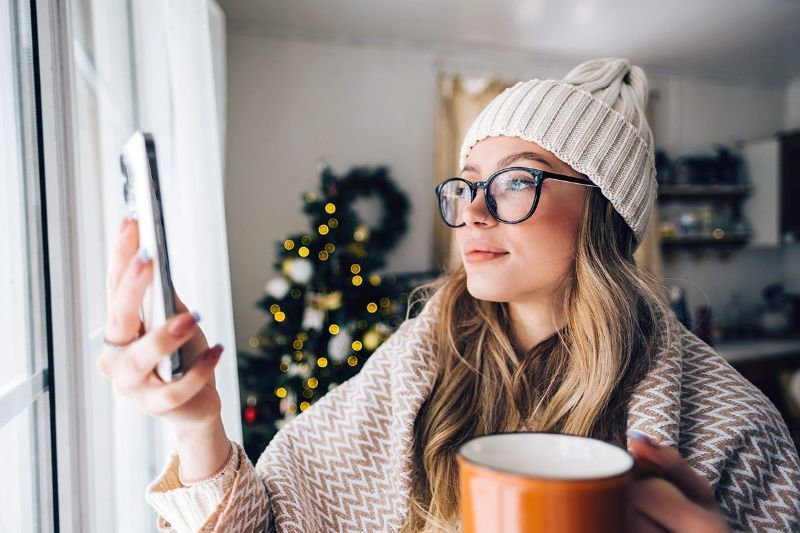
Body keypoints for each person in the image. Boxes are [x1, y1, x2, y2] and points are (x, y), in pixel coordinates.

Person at [98, 57, 800, 532]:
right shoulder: (416, 362)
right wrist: (196, 420)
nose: (473, 211)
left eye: (517, 180)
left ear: (604, 212)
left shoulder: (735, 428)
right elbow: (268, 520)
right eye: (468, 182)